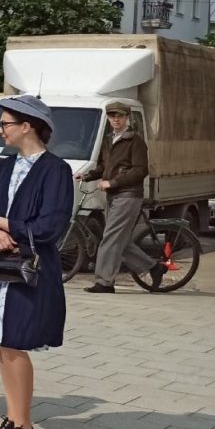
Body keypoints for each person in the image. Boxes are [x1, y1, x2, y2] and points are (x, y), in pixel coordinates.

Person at [0, 94, 75, 429]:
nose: (0, 130)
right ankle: (14, 417)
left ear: (27, 125)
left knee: (15, 342)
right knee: (4, 342)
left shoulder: (55, 170)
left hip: (29, 271)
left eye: (6, 124)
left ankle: (24, 426)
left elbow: (51, 224)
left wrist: (6, 223)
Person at [79, 102, 165, 293]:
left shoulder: (135, 141)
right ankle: (155, 267)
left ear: (127, 117)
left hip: (128, 195)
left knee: (110, 238)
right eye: (111, 116)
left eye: (119, 116)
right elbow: (104, 167)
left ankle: (104, 282)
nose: (115, 119)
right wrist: (87, 176)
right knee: (120, 240)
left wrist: (112, 183)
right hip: (113, 196)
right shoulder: (109, 139)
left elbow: (140, 170)